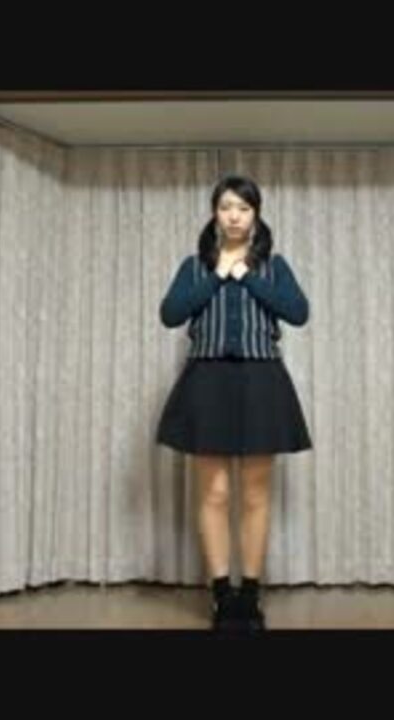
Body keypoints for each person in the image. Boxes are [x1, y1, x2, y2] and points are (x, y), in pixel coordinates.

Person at [156, 174, 312, 631]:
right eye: (226, 207)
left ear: (256, 215)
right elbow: (170, 314)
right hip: (207, 381)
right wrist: (219, 274)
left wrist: (245, 275)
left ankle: (250, 595)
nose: (234, 216)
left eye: (243, 208)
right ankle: (223, 594)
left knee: (256, 494)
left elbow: (298, 312)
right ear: (214, 214)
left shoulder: (274, 266)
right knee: (215, 493)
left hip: (262, 381)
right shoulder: (194, 267)